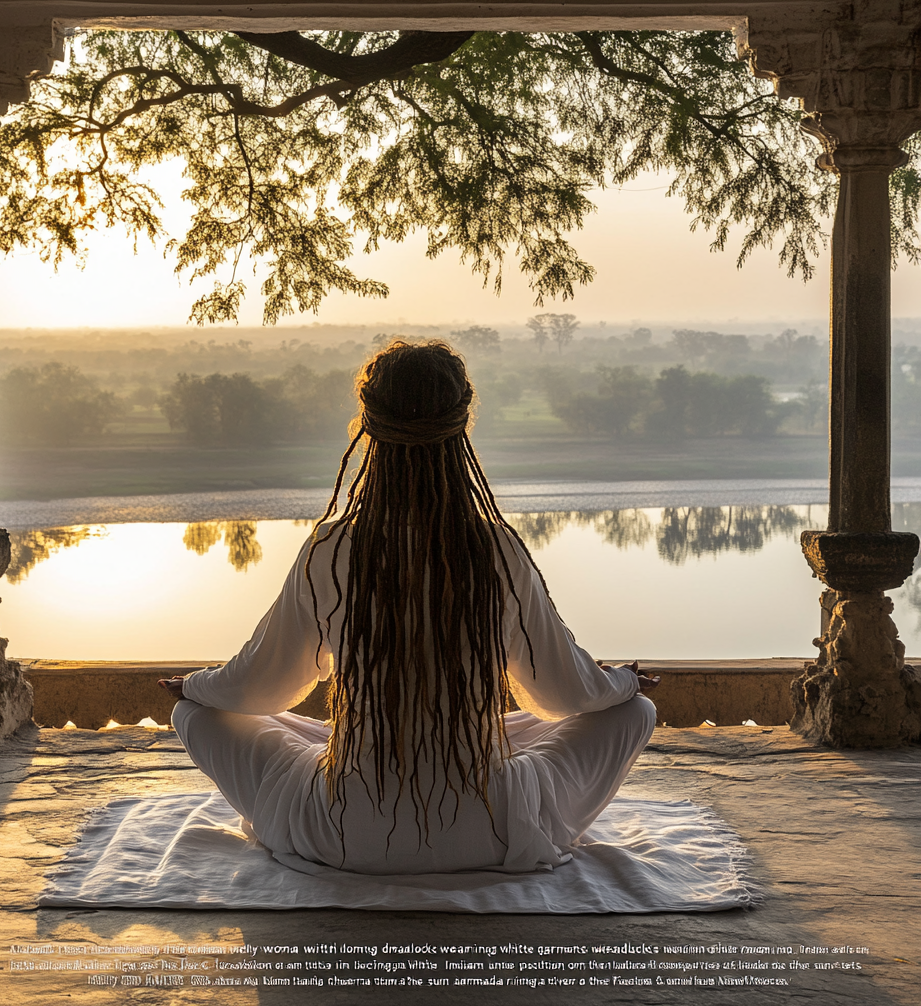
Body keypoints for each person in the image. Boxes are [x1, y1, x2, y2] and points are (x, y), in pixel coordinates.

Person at [159, 340, 659, 875]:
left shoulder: (331, 549)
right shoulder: (495, 549)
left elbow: (260, 688)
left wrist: (194, 686)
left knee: (199, 716)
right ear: (461, 428)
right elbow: (564, 694)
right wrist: (622, 684)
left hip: (340, 830)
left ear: (368, 430)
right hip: (492, 830)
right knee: (633, 714)